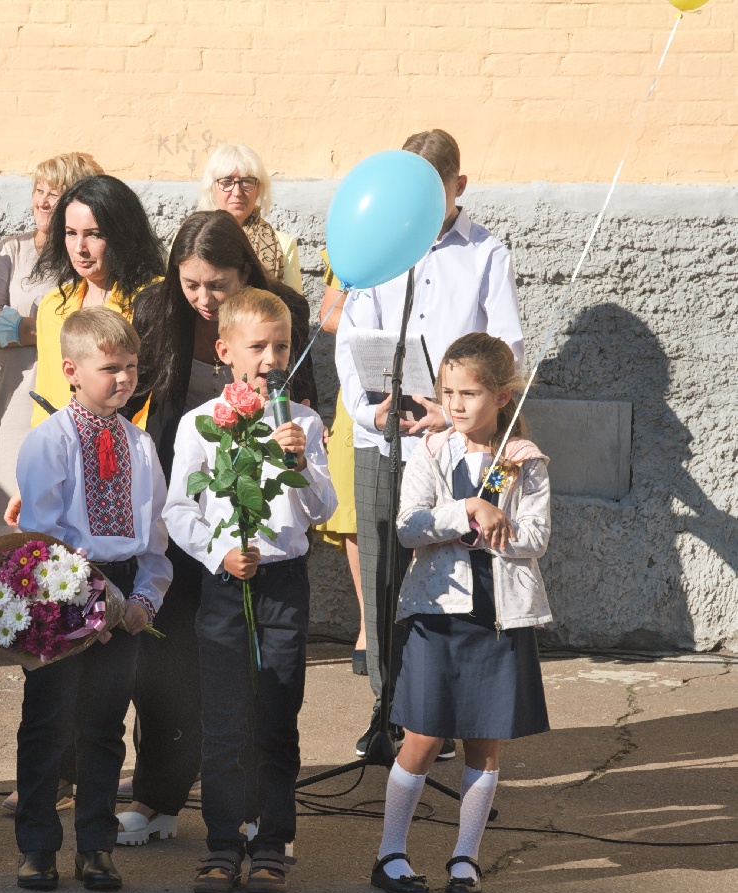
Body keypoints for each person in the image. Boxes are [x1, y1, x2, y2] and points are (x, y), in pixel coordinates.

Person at [113, 209, 315, 848]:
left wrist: (292, 458)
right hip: (183, 494)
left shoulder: (281, 313)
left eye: (218, 285)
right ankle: (159, 794)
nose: (203, 298)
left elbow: (302, 400)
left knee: (253, 680)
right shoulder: (157, 308)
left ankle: (255, 814)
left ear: (245, 273)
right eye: (191, 283)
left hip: (257, 514)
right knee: (167, 658)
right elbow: (121, 395)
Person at [335, 129, 524, 759]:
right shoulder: (381, 238)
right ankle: (387, 710)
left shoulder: (485, 253)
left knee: (447, 577)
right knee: (382, 572)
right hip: (384, 436)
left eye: (430, 189)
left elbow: (507, 349)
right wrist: (368, 410)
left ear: (458, 186)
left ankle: (436, 717)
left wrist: (458, 415)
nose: (412, 204)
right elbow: (350, 337)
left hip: (454, 443)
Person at [164, 288, 336, 893]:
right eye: (257, 346)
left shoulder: (303, 422)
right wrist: (219, 553)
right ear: (225, 351)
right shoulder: (200, 423)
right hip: (225, 584)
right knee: (225, 717)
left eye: (281, 347)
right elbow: (179, 509)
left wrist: (301, 463)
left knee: (277, 712)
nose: (270, 358)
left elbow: (322, 508)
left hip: (283, 584)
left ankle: (271, 843)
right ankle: (221, 842)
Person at [371, 333, 550, 893]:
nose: (454, 404)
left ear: (502, 397)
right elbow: (409, 526)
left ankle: (466, 858)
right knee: (423, 736)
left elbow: (537, 538)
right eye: (447, 393)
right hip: (438, 612)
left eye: (468, 393)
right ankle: (390, 854)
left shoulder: (523, 459)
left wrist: (501, 526)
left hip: (498, 615)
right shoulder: (432, 451)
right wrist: (468, 509)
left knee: (483, 741)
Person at [12, 307, 172, 893]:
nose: (124, 378)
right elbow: (42, 537)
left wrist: (143, 600)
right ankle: (37, 845)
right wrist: (86, 604)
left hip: (121, 592)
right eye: (110, 368)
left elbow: (154, 541)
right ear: (71, 371)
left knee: (105, 726)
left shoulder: (141, 445)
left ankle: (96, 846)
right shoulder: (49, 441)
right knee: (48, 722)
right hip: (60, 589)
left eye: (131, 367)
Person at [0, 152, 104, 538]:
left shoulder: (89, 257)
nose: (43, 202)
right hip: (16, 403)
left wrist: (20, 329)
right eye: (39, 190)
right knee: (12, 522)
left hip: (77, 400)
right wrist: (52, 330)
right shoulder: (13, 250)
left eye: (54, 193)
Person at [29, 174, 164, 426]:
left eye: (94, 234)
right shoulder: (53, 306)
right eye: (71, 233)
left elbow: (154, 396)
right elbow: (46, 395)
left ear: (123, 235)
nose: (79, 248)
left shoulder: (154, 299)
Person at [312, 255, 366, 675]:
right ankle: (371, 621)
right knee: (352, 503)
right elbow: (329, 313)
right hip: (365, 376)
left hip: (431, 373)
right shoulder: (358, 237)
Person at [197, 143, 303, 294]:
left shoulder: (284, 245)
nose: (237, 192)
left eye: (246, 182)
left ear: (258, 188)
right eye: (226, 182)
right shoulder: (191, 239)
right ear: (213, 188)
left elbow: (295, 306)